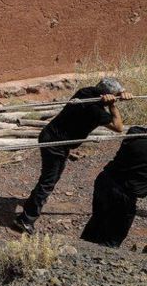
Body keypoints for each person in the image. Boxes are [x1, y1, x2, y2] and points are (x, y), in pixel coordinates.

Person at [15, 78, 132, 235]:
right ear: (107, 94)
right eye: (115, 95)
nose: (117, 97)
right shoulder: (95, 110)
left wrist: (117, 96)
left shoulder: (84, 92)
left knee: (51, 178)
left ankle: (31, 204)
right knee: (48, 181)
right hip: (56, 144)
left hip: (51, 137)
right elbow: (119, 127)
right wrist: (112, 105)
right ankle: (25, 220)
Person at [81, 126, 147, 248]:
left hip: (104, 181)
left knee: (97, 223)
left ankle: (82, 249)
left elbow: (134, 128)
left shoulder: (135, 134)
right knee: (112, 239)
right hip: (123, 195)